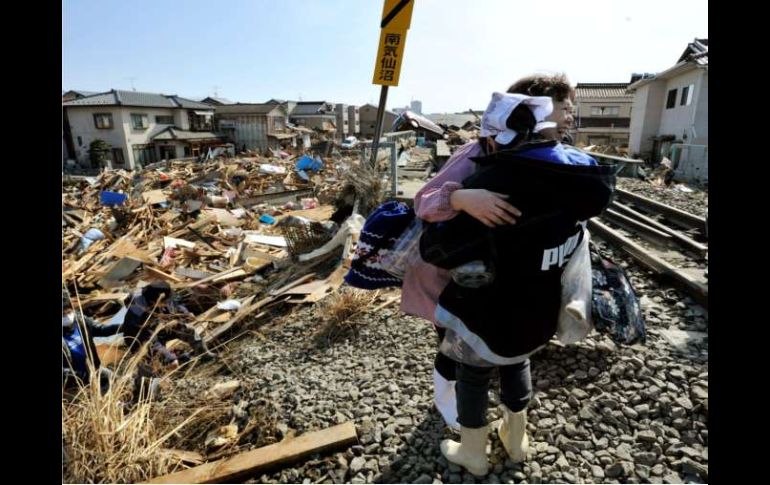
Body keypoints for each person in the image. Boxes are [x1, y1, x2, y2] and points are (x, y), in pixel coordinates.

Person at [401, 75, 615, 476]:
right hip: (535, 304)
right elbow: (424, 201)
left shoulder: (505, 170)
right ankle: (516, 440)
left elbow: (437, 247)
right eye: (562, 106)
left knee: (473, 369)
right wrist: (460, 197)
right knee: (516, 359)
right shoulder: (566, 169)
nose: (570, 114)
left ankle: (473, 450)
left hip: (485, 301)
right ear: (530, 109)